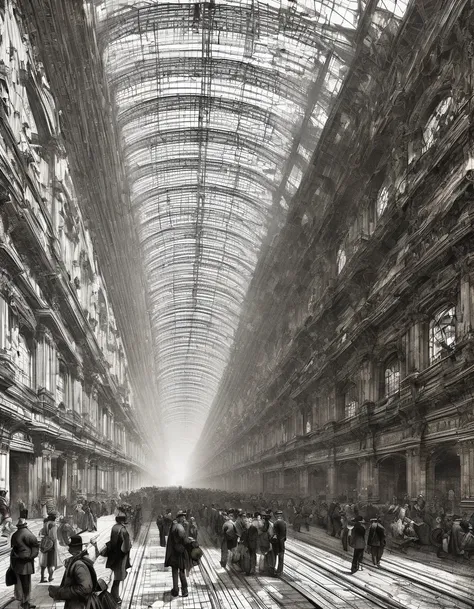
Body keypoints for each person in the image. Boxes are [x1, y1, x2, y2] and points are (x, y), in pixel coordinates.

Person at [48, 535, 98, 609]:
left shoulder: (79, 565)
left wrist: (60, 592)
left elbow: (85, 588)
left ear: (74, 548)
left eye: (70, 546)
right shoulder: (76, 561)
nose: (68, 549)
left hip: (79, 605)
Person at [10, 517, 39, 609]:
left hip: (17, 561)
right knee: (26, 583)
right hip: (26, 562)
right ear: (25, 525)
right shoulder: (28, 534)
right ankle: (26, 602)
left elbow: (13, 548)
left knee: (20, 581)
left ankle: (22, 600)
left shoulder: (15, 535)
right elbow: (35, 547)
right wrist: (31, 557)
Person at [106, 511, 132, 604]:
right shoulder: (123, 529)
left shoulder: (114, 527)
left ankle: (114, 595)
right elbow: (126, 546)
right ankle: (115, 597)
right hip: (121, 557)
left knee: (116, 577)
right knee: (118, 578)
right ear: (123, 521)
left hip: (113, 555)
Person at [165, 510, 189, 598]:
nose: (184, 518)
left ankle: (175, 590)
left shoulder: (173, 525)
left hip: (173, 553)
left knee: (174, 571)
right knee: (181, 571)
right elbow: (184, 540)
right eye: (182, 517)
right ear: (179, 517)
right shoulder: (179, 527)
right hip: (179, 552)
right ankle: (184, 590)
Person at [39, 512, 60, 583]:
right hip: (51, 546)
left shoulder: (45, 524)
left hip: (44, 544)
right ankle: (50, 577)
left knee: (43, 562)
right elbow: (53, 537)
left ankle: (42, 578)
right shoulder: (53, 524)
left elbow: (40, 533)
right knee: (51, 562)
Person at [271, 510, 287, 576]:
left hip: (276, 542)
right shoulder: (284, 523)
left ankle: (273, 570)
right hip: (282, 542)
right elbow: (285, 534)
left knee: (274, 555)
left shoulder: (276, 523)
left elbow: (274, 533)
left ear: (276, 515)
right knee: (281, 556)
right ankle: (280, 571)